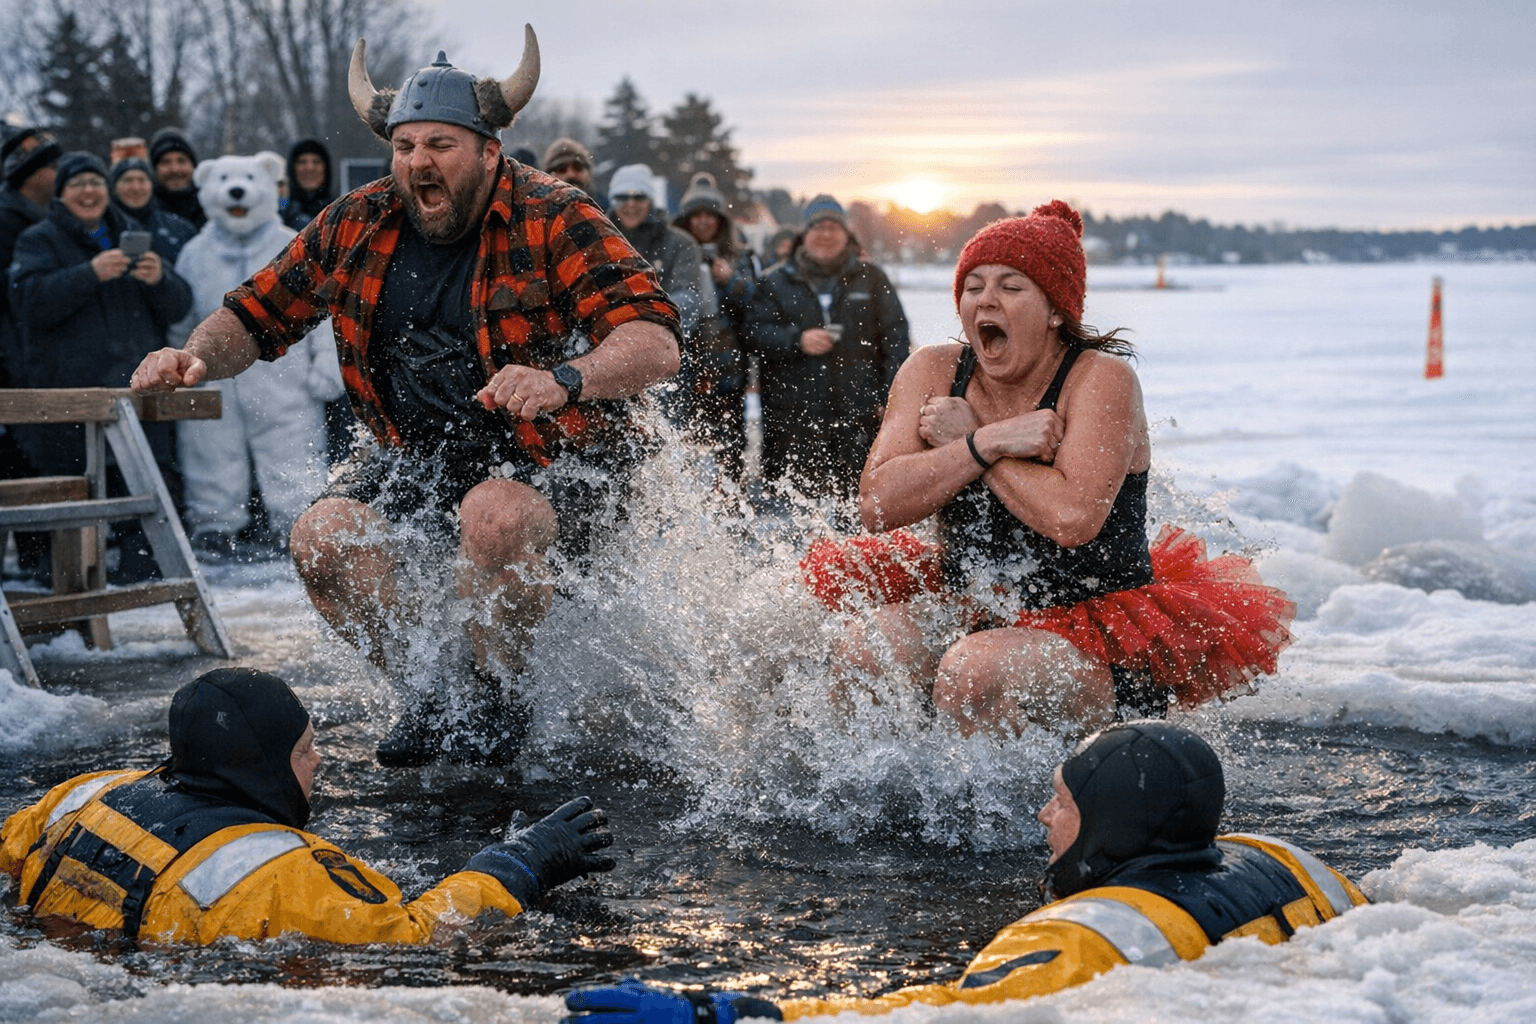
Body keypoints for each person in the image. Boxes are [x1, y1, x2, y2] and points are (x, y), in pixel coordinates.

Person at [128, 36, 681, 768]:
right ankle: (434, 692)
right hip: (416, 454)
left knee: (493, 515)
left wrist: (564, 379)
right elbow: (256, 314)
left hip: (560, 460)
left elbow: (654, 341)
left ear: (489, 150)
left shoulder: (556, 213)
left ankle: (498, 701)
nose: (418, 162)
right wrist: (196, 355)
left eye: (440, 144)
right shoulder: (358, 220)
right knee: (321, 537)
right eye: (405, 144)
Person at [799, 202, 1295, 734]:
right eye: (974, 286)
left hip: (1097, 634)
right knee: (866, 648)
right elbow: (876, 505)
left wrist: (976, 450)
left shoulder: (1100, 380)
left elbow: (1072, 518)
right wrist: (986, 440)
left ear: (1056, 310)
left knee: (974, 670)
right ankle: (870, 807)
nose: (987, 298)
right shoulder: (934, 369)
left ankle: (1019, 810)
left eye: (1012, 287)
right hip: (974, 606)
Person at [562, 722, 1367, 1022]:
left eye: (1060, 802)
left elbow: (934, 1015)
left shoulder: (1081, 939)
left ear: (1112, 823)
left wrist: (734, 1012)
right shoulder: (1288, 861)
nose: (1044, 819)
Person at [0, 668, 616, 945]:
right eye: (304, 749)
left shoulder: (83, 795)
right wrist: (516, 866)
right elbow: (409, 936)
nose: (318, 762)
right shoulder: (285, 874)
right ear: (262, 767)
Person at [8, 152, 192, 554]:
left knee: (139, 492)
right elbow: (29, 303)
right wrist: (89, 274)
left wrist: (160, 279)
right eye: (78, 184)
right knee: (73, 498)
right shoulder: (39, 239)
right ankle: (70, 585)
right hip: (71, 397)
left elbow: (179, 306)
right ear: (61, 194)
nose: (89, 192)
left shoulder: (132, 232)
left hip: (133, 392)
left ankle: (142, 574)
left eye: (96, 183)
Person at [171, 151, 343, 561]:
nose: (237, 189)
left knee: (293, 450)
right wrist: (177, 362)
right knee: (210, 450)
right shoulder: (194, 253)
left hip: (286, 375)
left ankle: (297, 523)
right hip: (212, 377)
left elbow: (322, 310)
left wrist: (327, 365)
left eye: (249, 179)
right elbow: (182, 318)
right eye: (226, 180)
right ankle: (215, 525)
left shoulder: (293, 242)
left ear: (270, 183)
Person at [745, 195, 909, 503]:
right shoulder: (774, 282)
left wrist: (890, 398)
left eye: (833, 226)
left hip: (859, 417)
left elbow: (896, 339)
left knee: (858, 509)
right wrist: (797, 340)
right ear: (803, 235)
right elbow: (754, 334)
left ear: (847, 234)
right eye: (817, 226)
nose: (825, 234)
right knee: (791, 513)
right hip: (791, 423)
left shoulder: (871, 278)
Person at [605, 163, 705, 429]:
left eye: (639, 196)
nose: (631, 203)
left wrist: (643, 330)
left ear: (650, 200)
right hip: (606, 355)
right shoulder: (596, 240)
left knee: (664, 440)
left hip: (663, 356)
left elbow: (689, 298)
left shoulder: (679, 243)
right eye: (622, 197)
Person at [671, 172, 756, 483]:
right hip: (684, 365)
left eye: (710, 215)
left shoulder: (740, 255)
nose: (703, 222)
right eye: (697, 215)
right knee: (685, 441)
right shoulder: (674, 252)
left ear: (721, 220)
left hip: (727, 367)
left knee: (730, 443)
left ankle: (732, 507)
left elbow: (758, 305)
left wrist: (731, 281)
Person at [109, 156, 197, 265]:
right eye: (127, 180)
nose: (136, 187)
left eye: (142, 180)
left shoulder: (181, 229)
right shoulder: (102, 228)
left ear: (152, 185)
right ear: (114, 188)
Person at [148, 127, 205, 229]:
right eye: (165, 162)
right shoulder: (143, 210)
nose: (175, 169)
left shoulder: (211, 208)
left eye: (181, 160)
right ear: (154, 169)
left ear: (193, 166)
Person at [281, 138, 333, 231]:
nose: (310, 168)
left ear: (326, 169)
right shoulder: (279, 214)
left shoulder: (341, 212)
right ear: (292, 170)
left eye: (316, 162)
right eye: (302, 162)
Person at [543, 137, 605, 208]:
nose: (571, 174)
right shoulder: (536, 214)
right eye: (561, 169)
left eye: (577, 167)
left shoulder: (610, 214)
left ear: (588, 173)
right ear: (548, 176)